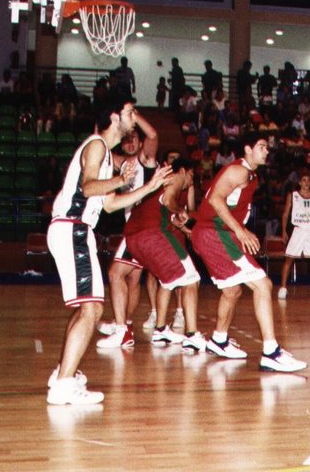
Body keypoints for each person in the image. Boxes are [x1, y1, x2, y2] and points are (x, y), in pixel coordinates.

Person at [45, 96, 172, 405]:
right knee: (92, 308)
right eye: (130, 111)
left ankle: (64, 372)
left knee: (88, 307)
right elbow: (88, 187)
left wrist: (149, 187)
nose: (134, 116)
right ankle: (63, 384)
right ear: (115, 117)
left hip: (77, 229)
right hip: (72, 227)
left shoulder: (104, 155)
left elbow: (111, 203)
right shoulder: (97, 145)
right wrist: (119, 179)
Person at [189, 134, 307, 371]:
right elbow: (214, 199)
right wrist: (240, 231)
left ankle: (219, 340)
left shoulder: (250, 175)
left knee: (232, 290)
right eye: (261, 147)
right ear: (247, 149)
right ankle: (271, 352)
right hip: (216, 233)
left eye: (267, 147)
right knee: (263, 285)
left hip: (214, 233)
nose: (266, 151)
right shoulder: (239, 171)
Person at [120, 159, 202, 350]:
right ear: (183, 170)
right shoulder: (174, 178)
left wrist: (189, 231)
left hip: (133, 238)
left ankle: (161, 330)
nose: (190, 181)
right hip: (152, 234)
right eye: (191, 176)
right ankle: (192, 335)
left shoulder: (160, 185)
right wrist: (180, 210)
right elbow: (168, 201)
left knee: (167, 281)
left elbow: (166, 212)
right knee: (191, 279)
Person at [95, 111, 161, 348]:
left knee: (114, 273)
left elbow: (152, 133)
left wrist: (133, 115)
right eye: (127, 139)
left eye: (135, 138)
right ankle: (127, 324)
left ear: (140, 142)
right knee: (132, 279)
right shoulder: (123, 163)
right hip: (141, 227)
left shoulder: (146, 160)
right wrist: (99, 129)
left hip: (143, 227)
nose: (131, 142)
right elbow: (100, 148)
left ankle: (121, 330)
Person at [277, 172, 310, 300]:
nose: (306, 182)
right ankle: (283, 288)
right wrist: (284, 230)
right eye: (304, 180)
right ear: (299, 183)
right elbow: (285, 214)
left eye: (308, 180)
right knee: (289, 259)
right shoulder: (293, 195)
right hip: (298, 229)